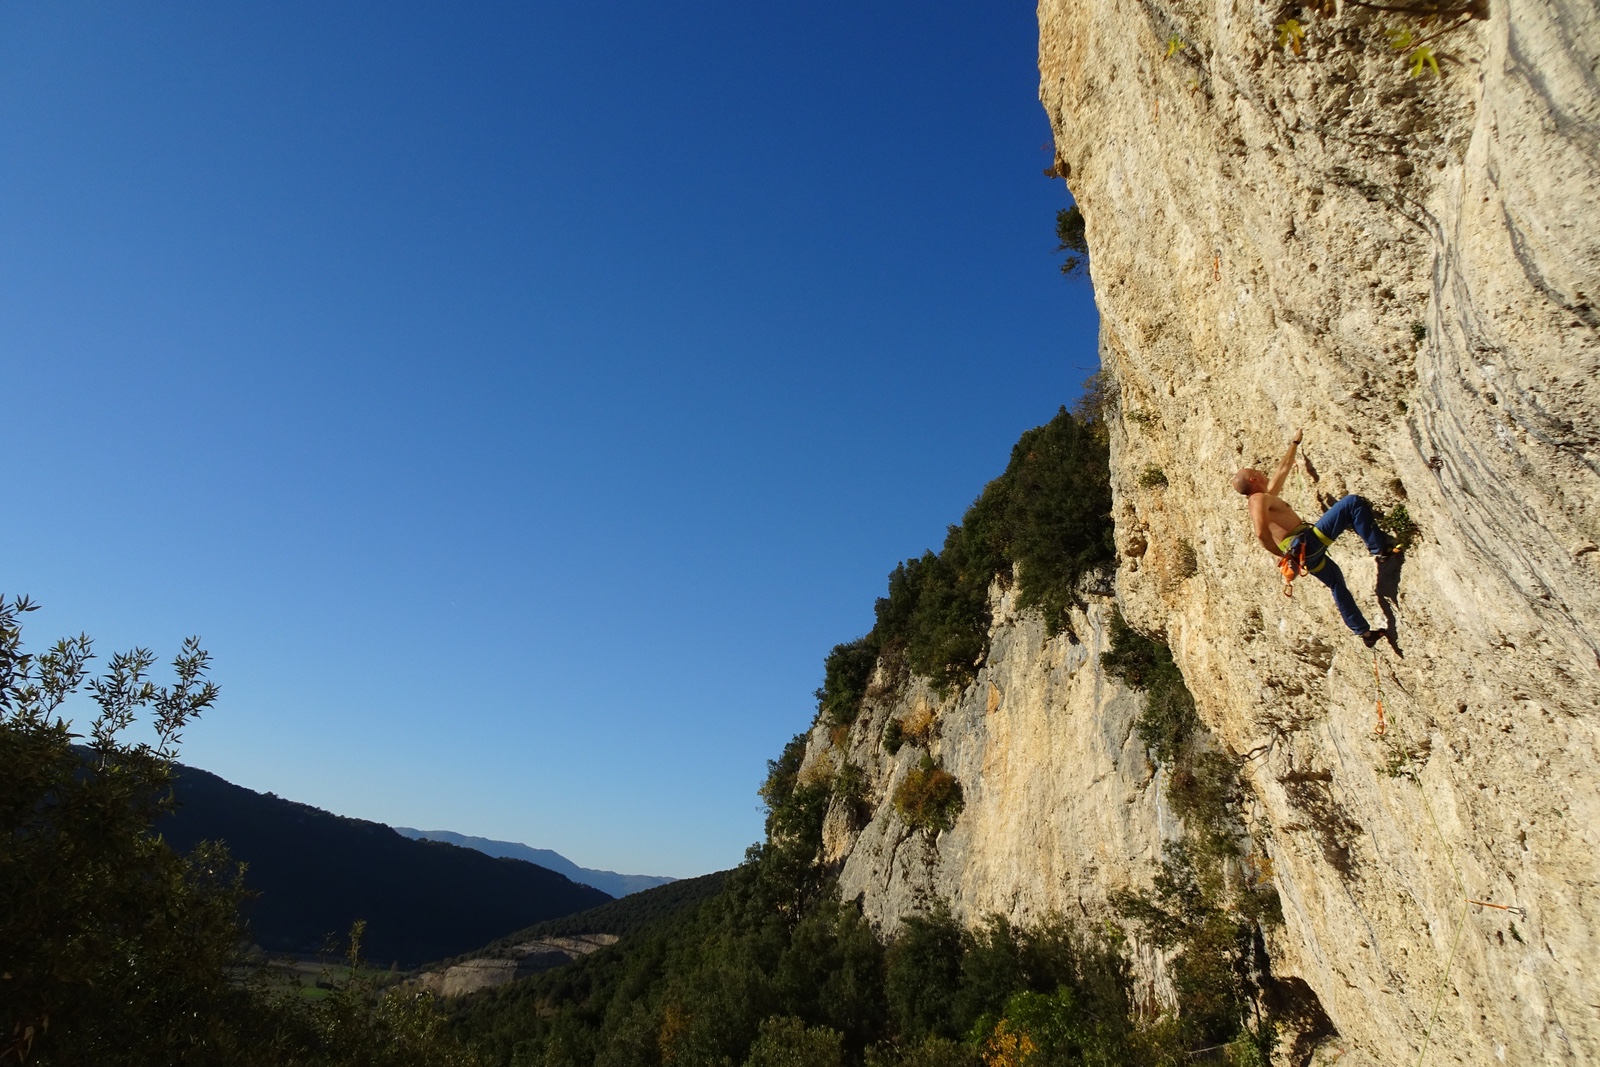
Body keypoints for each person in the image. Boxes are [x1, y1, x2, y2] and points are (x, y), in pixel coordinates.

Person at [1233, 431, 1396, 646]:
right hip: (1304, 544)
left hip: (1303, 553)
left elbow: (1282, 469)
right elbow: (1260, 533)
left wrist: (1295, 443)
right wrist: (1283, 555)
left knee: (1336, 583)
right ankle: (1379, 550)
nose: (1263, 472)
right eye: (1258, 472)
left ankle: (1364, 632)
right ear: (1254, 479)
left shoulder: (1266, 496)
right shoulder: (1257, 500)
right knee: (1352, 503)